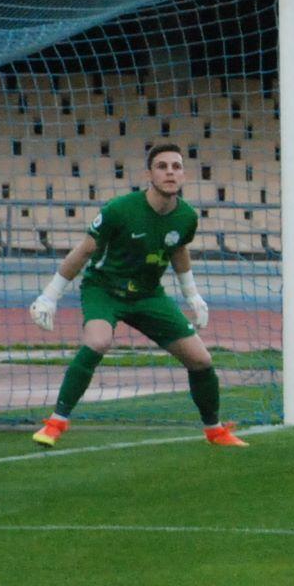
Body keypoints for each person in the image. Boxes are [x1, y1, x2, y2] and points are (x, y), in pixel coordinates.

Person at [27, 142, 245, 448]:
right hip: (105, 289)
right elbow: (85, 250)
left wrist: (192, 295)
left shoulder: (186, 217)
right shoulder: (120, 210)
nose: (170, 172)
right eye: (162, 166)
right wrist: (50, 295)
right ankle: (56, 423)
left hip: (148, 295)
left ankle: (215, 430)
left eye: (176, 166)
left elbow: (179, 249)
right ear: (149, 174)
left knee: (201, 360)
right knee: (98, 341)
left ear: (184, 174)